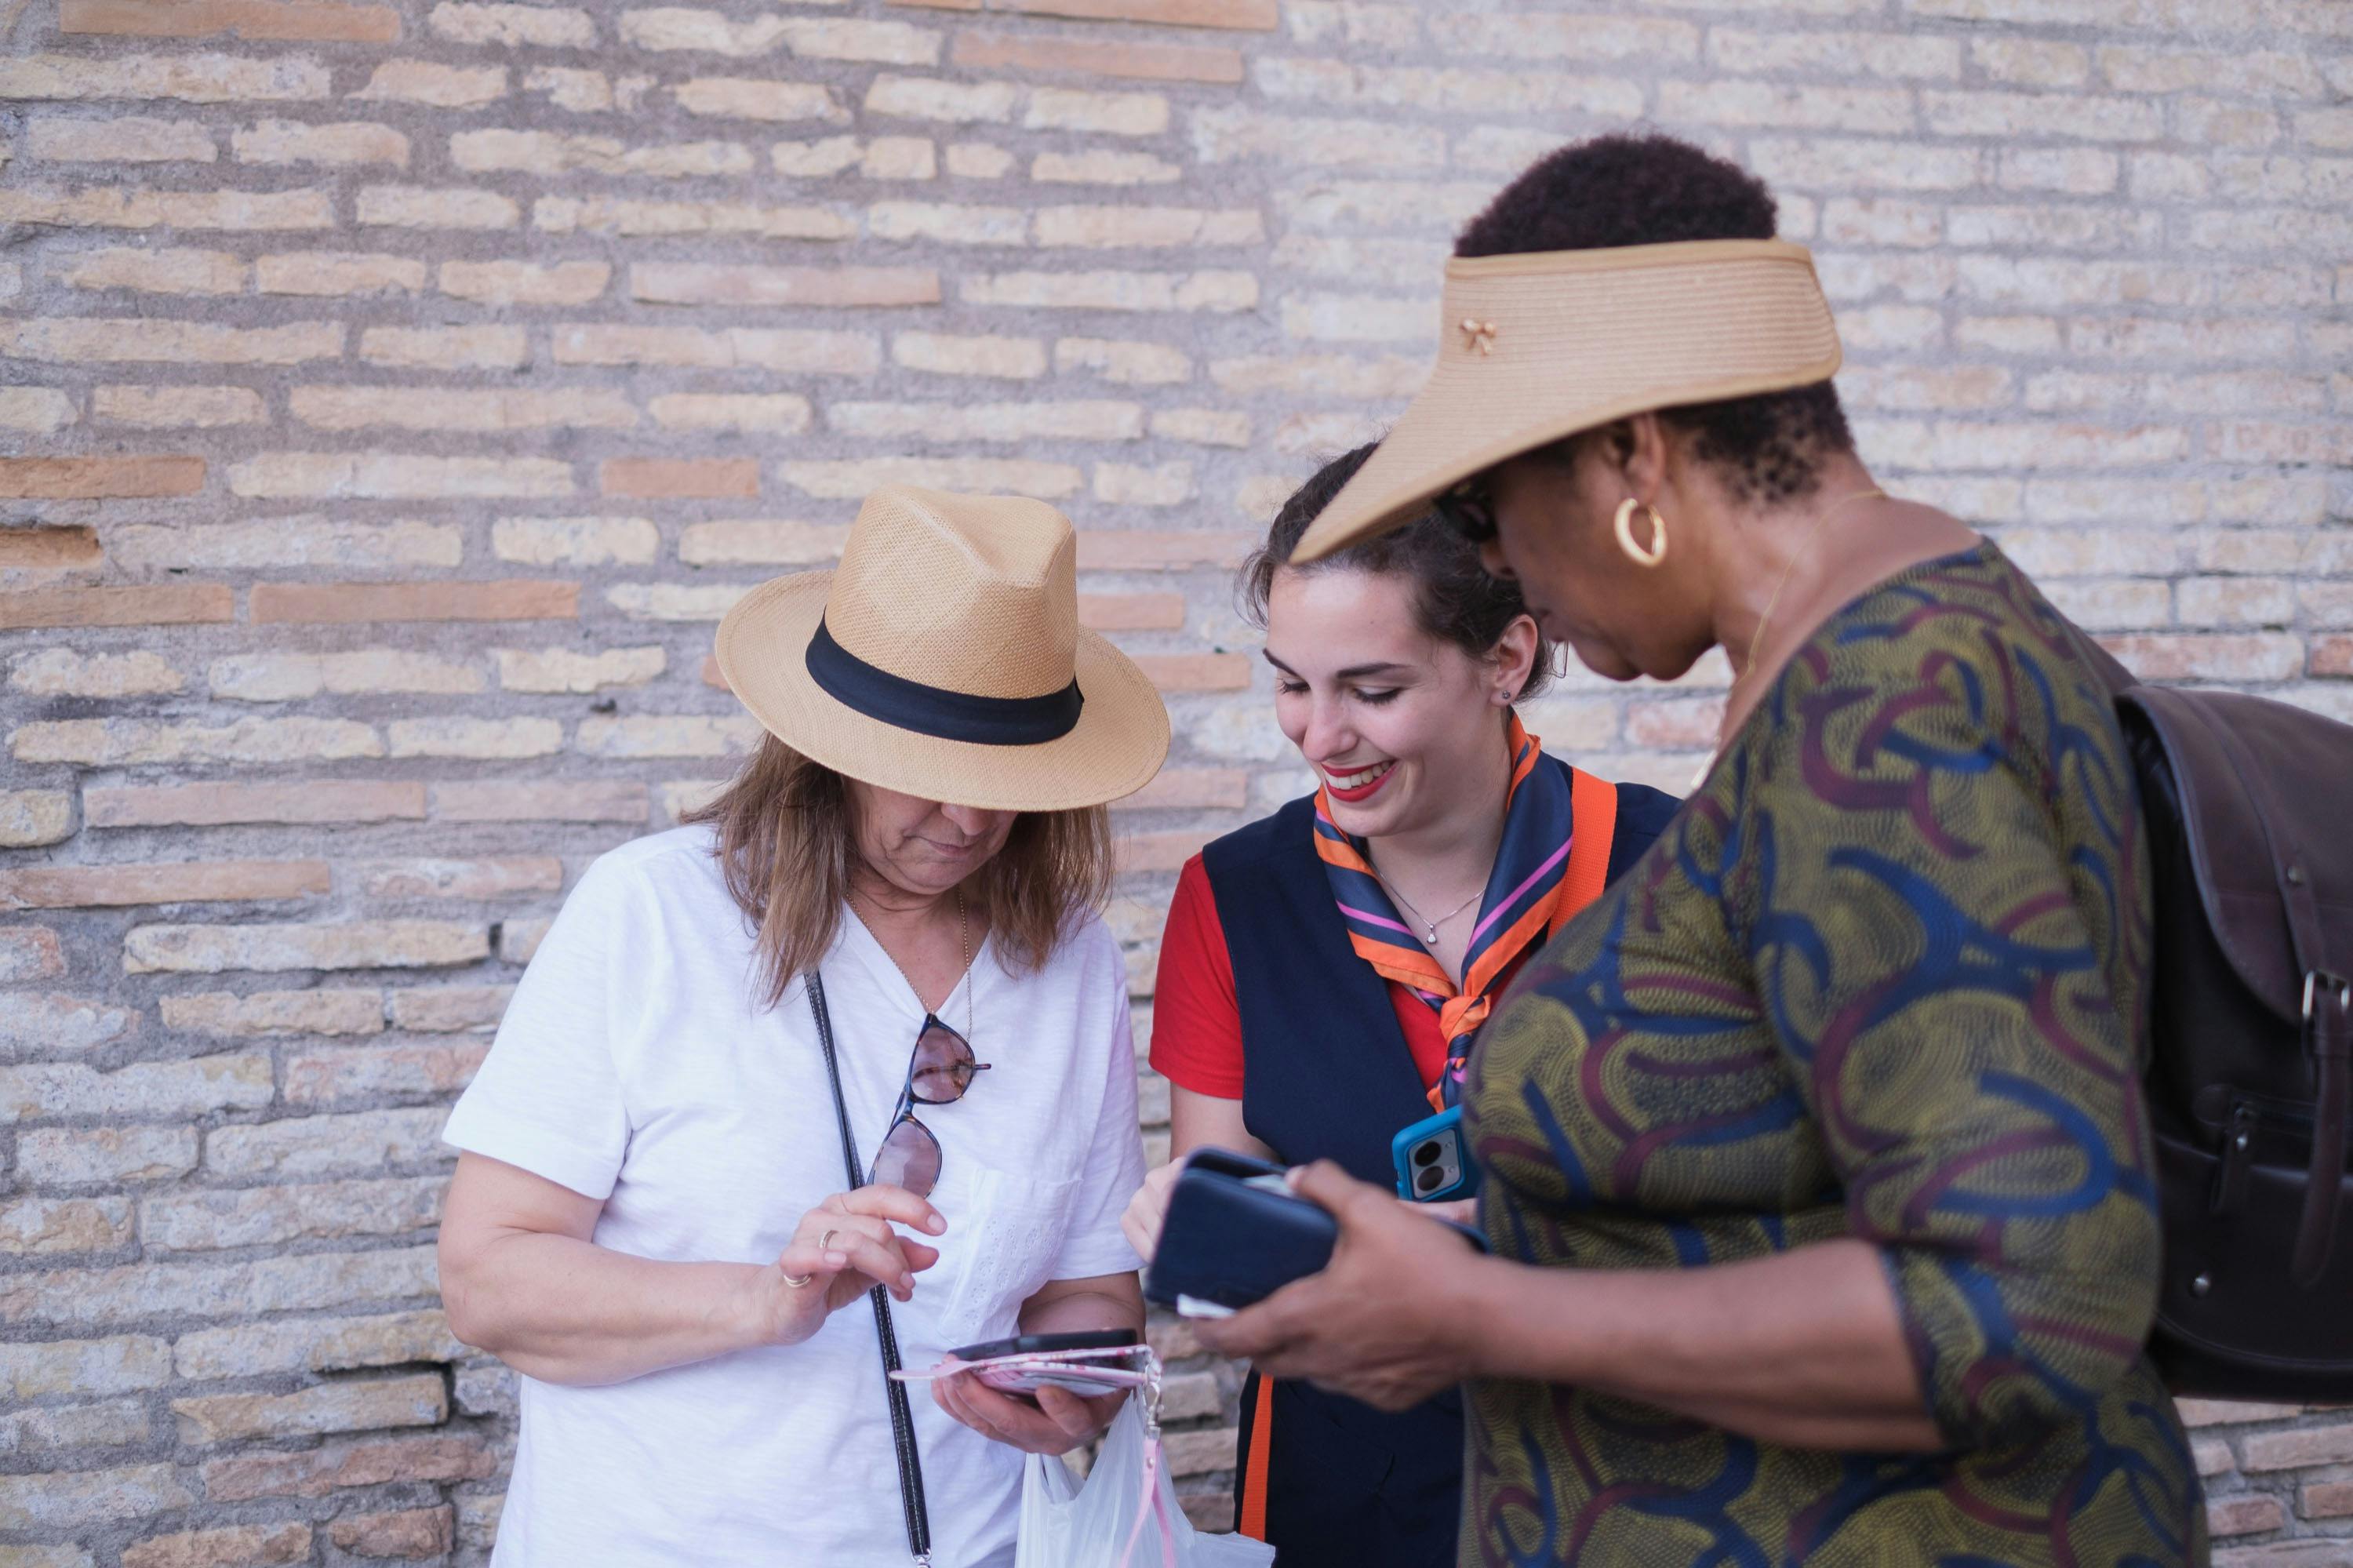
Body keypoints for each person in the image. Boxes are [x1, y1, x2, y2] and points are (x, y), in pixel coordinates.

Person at [1191, 135, 2203, 1566]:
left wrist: (1478, 1315)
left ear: (1632, 455)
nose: (1499, 566)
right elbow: (1802, 1183)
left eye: (1486, 508)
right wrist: (1487, 1246)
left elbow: (2024, 1290)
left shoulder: (1878, 705)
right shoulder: (1905, 640)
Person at [435, 486, 1170, 1566]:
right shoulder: (652, 913)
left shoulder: (1070, 958)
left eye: (1005, 780)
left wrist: (1066, 1390)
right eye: (926, 775)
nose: (967, 821)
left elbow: (1089, 1283)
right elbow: (488, 1279)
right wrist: (760, 1300)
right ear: (828, 745)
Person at [1121, 444, 1678, 1566]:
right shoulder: (1233, 899)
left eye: (1372, 691)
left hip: (1634, 1482)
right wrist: (1195, 1233)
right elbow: (1228, 1246)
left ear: (1508, 657)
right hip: (1342, 1492)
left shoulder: (1673, 868)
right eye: (1291, 682)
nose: (1319, 739)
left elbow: (1754, 1223)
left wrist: (1459, 1258)